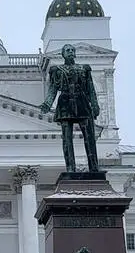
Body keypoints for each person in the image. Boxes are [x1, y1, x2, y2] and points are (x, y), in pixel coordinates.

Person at [40, 44, 101, 172]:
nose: (70, 52)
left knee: (89, 137)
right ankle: (70, 168)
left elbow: (91, 89)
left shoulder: (84, 69)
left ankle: (94, 167)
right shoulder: (57, 70)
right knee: (67, 138)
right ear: (63, 54)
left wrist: (94, 105)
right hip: (65, 103)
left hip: (82, 102)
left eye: (72, 50)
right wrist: (47, 104)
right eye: (67, 50)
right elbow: (53, 89)